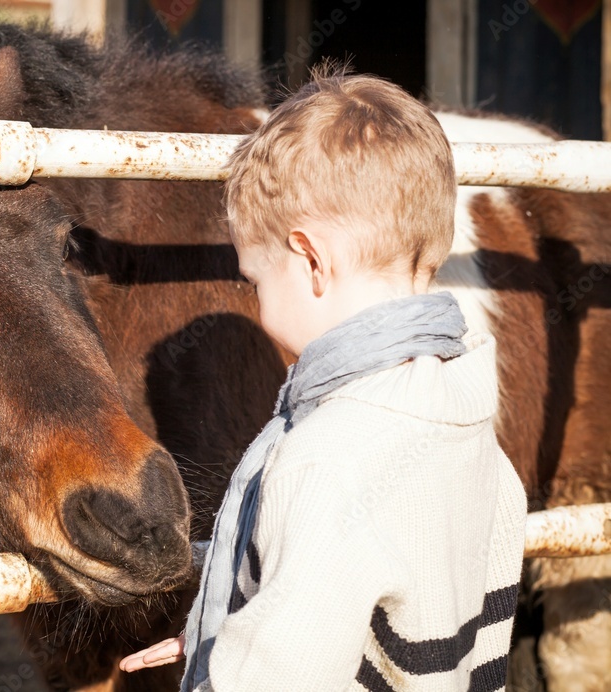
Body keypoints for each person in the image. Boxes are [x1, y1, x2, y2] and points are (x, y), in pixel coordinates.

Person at [118, 67, 528, 691]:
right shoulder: (464, 413)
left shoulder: (326, 458)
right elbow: (387, 600)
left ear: (311, 260)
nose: (254, 300)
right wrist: (227, 631)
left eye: (255, 278)